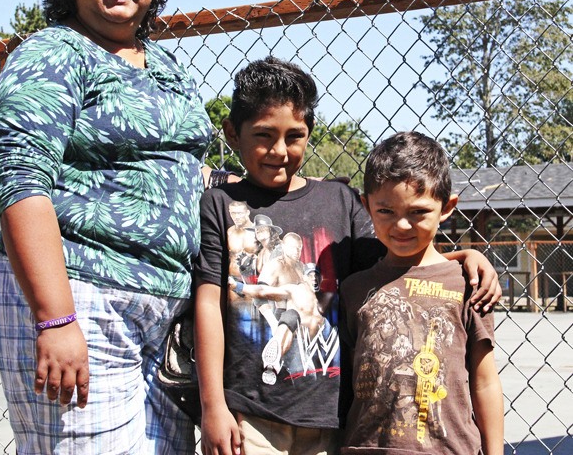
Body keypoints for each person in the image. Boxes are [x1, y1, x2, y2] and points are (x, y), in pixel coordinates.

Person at [0, 0, 213, 455]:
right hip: (81, 295)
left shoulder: (165, 68)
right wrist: (55, 318)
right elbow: (20, 179)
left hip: (163, 313)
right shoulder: (55, 53)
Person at [193, 56, 501, 455]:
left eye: (294, 136)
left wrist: (460, 257)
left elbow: (397, 261)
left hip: (332, 415)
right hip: (250, 413)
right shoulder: (219, 205)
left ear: (310, 132)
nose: (279, 150)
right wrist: (213, 404)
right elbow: (208, 304)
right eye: (264, 135)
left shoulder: (338, 201)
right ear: (233, 134)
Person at [340, 131, 503, 455]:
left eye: (418, 212)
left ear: (447, 208)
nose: (401, 225)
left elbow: (485, 381)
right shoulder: (353, 288)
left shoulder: (469, 284)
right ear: (366, 205)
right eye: (386, 211)